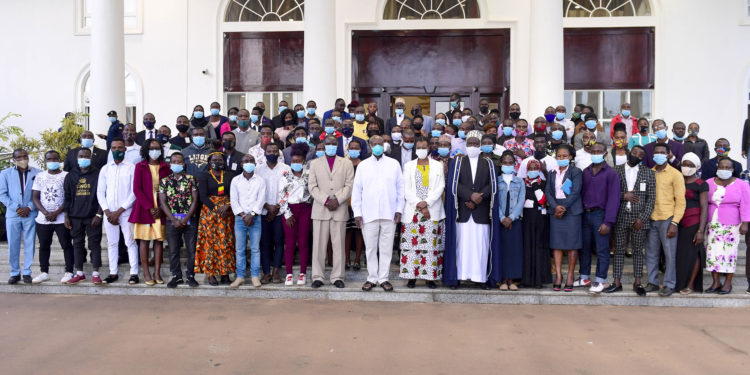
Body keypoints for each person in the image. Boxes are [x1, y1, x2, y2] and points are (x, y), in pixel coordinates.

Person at [443, 135, 499, 290]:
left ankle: (480, 278)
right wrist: (469, 196)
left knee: (480, 247)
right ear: (465, 145)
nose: (473, 146)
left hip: (481, 211)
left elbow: (492, 185)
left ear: (480, 146)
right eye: (470, 143)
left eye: (476, 143)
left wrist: (478, 197)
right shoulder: (457, 162)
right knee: (462, 247)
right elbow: (453, 184)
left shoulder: (489, 163)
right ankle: (459, 277)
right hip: (462, 210)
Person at [352, 135, 403, 291]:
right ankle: (372, 278)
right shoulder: (363, 165)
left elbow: (400, 189)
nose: (378, 146)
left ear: (385, 145)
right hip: (369, 214)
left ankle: (384, 278)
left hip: (389, 213)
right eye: (374, 143)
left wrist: (399, 209)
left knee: (386, 248)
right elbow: (357, 191)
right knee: (371, 248)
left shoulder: (394, 164)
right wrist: (357, 213)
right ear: (370, 145)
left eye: (380, 143)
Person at [606, 145, 655, 295]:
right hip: (621, 216)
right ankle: (617, 282)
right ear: (629, 153)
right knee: (619, 249)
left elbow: (651, 198)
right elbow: (609, 192)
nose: (637, 156)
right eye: (634, 153)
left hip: (639, 219)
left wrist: (642, 218)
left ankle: (638, 282)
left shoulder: (648, 173)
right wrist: (623, 196)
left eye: (640, 155)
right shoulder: (616, 170)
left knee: (638, 251)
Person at [308, 135, 354, 288]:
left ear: (337, 145)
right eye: (328, 143)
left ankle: (337, 277)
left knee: (339, 245)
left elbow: (349, 185)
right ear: (324, 145)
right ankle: (317, 276)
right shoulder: (315, 163)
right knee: (319, 246)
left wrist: (338, 200)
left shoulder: (346, 163)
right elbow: (312, 187)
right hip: (321, 208)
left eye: (334, 143)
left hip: (339, 208)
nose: (331, 146)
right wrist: (326, 200)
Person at [399, 138, 445, 289]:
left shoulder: (438, 165)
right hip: (413, 210)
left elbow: (440, 187)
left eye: (424, 147)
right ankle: (411, 276)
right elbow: (406, 188)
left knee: (431, 246)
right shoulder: (408, 166)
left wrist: (427, 203)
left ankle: (430, 278)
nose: (421, 149)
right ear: (415, 149)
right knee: (411, 246)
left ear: (429, 148)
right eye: (418, 147)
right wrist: (419, 204)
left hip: (432, 211)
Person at [575, 142, 620, 294]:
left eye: (599, 151)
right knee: (585, 247)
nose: (596, 153)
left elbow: (614, 199)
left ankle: (600, 280)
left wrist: (608, 221)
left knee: (602, 249)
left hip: (601, 215)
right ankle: (584, 276)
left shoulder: (611, 173)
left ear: (605, 153)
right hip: (585, 214)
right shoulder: (586, 171)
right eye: (593, 151)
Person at [645, 142, 686, 296]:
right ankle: (653, 282)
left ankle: (669, 284)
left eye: (663, 152)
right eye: (657, 152)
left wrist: (675, 223)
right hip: (651, 218)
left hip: (668, 218)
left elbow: (681, 201)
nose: (659, 155)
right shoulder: (649, 172)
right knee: (651, 253)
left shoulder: (676, 174)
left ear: (668, 154)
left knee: (669, 254)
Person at [704, 157, 750, 294]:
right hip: (712, 224)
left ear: (732, 169)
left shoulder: (742, 184)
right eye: (722, 167)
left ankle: (728, 283)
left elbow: (746, 205)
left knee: (729, 254)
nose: (724, 170)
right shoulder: (708, 183)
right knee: (712, 253)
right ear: (717, 168)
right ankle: (716, 282)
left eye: (728, 167)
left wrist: (745, 223)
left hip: (732, 224)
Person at [97, 138, 139, 284]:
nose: (117, 150)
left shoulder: (132, 168)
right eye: (114, 148)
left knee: (130, 242)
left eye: (120, 148)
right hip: (109, 214)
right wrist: (107, 211)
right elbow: (100, 192)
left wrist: (120, 211)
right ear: (111, 150)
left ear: (124, 149)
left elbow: (134, 192)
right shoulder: (105, 169)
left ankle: (134, 273)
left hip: (126, 212)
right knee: (112, 243)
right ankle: (113, 272)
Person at [130, 140, 170, 285]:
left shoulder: (166, 167)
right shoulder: (140, 166)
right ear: (146, 150)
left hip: (161, 209)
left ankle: (157, 273)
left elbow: (169, 190)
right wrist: (149, 207)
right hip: (144, 209)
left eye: (157, 148)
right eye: (152, 148)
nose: (155, 150)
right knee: (144, 241)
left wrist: (161, 208)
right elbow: (137, 189)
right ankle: (146, 273)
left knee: (159, 241)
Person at [158, 152, 200, 288]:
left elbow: (195, 200)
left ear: (184, 164)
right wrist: (174, 220)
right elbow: (163, 202)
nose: (177, 164)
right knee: (173, 250)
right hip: (172, 220)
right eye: (174, 161)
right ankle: (176, 276)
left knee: (191, 249)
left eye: (179, 161)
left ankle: (191, 275)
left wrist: (186, 218)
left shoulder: (191, 179)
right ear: (170, 164)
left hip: (190, 220)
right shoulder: (164, 181)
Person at [31, 150, 74, 283]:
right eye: (49, 159)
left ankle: (69, 271)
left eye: (55, 159)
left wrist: (56, 212)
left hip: (61, 218)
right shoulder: (40, 176)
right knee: (44, 245)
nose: (52, 162)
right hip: (43, 219)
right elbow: (35, 197)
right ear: (45, 161)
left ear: (59, 160)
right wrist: (45, 212)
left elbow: (69, 197)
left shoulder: (66, 176)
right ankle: (44, 272)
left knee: (66, 244)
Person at [63, 148, 104, 285]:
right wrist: (66, 215)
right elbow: (67, 197)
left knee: (94, 244)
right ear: (77, 158)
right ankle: (79, 272)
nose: (83, 158)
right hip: (75, 216)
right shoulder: (70, 175)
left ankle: (96, 273)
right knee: (77, 244)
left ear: (91, 157)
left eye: (86, 156)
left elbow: (102, 195)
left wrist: (99, 214)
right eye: (81, 156)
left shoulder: (98, 174)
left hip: (93, 216)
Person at [546, 144, 583, 292]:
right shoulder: (551, 173)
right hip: (556, 212)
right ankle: (559, 276)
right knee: (557, 244)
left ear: (571, 157)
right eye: (559, 156)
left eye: (564, 156)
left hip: (572, 211)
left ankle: (570, 276)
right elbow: (548, 191)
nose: (561, 158)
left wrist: (564, 207)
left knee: (572, 245)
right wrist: (556, 207)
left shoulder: (576, 172)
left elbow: (576, 191)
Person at [195, 152, 236, 286]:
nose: (217, 161)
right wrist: (216, 208)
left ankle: (225, 273)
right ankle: (211, 274)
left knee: (226, 242)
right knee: (210, 243)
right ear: (210, 161)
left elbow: (234, 193)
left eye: (220, 159)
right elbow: (203, 196)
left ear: (224, 162)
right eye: (214, 159)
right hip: (210, 213)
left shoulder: (230, 175)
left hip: (227, 212)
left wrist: (227, 206)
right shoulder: (204, 176)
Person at [255, 141, 290, 283]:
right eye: (269, 152)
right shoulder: (258, 169)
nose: (272, 154)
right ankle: (266, 273)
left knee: (279, 241)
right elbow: (255, 192)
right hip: (263, 212)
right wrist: (267, 207)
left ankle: (276, 271)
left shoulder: (286, 168)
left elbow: (289, 191)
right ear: (264, 153)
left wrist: (276, 207)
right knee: (264, 243)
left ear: (279, 153)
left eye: (275, 152)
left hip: (280, 211)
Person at [277, 145, 313, 286]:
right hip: (289, 210)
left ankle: (303, 273)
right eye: (294, 161)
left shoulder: (309, 174)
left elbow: (312, 192)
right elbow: (281, 196)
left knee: (303, 242)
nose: (296, 163)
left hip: (305, 209)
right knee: (290, 243)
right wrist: (287, 213)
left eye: (299, 161)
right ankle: (289, 274)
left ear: (304, 162)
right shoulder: (285, 175)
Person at [229, 154, 265, 288]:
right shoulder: (235, 181)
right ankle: (240, 277)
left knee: (255, 249)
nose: (248, 163)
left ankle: (255, 276)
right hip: (240, 219)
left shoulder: (260, 181)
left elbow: (261, 199)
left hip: (256, 218)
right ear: (241, 164)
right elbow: (234, 200)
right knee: (240, 249)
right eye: (245, 161)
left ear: (255, 163)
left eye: (251, 161)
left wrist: (253, 214)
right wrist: (244, 215)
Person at [491, 151, 525, 290]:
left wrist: (511, 218)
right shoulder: (496, 180)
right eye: (505, 162)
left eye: (510, 162)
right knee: (502, 250)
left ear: (514, 164)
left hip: (514, 220)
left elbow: (521, 201)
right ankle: (502, 280)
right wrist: (501, 218)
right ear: (501, 164)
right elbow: (494, 200)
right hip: (500, 220)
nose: (507, 164)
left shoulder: (520, 181)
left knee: (513, 250)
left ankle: (511, 280)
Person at [675, 152, 708, 294]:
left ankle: (690, 284)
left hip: (693, 223)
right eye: (684, 164)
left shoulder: (701, 184)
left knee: (693, 254)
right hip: (677, 222)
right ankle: (677, 283)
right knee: (679, 255)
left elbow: (704, 207)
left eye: (690, 165)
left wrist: (701, 230)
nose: (686, 167)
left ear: (697, 167)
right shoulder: (677, 180)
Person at [520, 159, 551, 288]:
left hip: (540, 219)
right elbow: (521, 201)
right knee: (526, 248)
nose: (533, 170)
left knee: (539, 247)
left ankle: (539, 280)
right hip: (526, 219)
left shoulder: (543, 183)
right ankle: (526, 280)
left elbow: (543, 200)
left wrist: (535, 185)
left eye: (535, 168)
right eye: (530, 168)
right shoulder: (521, 183)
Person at [344, 140, 365, 270]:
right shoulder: (343, 163)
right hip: (345, 202)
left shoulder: (364, 165)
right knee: (347, 231)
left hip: (361, 203)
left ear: (360, 150)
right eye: (351, 147)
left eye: (356, 147)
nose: (353, 149)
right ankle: (346, 259)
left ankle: (357, 259)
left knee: (358, 231)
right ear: (348, 149)